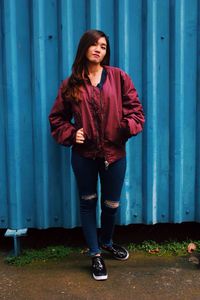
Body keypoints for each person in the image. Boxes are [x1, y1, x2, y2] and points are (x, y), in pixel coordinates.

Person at [49, 29, 145, 281]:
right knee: (88, 203)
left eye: (103, 46)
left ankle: (107, 242)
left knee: (111, 205)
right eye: (93, 44)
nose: (98, 49)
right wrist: (71, 133)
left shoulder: (119, 78)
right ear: (84, 48)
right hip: (84, 156)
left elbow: (136, 112)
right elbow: (57, 119)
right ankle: (95, 255)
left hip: (114, 154)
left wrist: (125, 127)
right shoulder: (71, 84)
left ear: (106, 52)